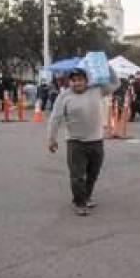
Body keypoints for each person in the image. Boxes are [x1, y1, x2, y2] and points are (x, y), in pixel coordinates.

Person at [47, 67, 119, 216]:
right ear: (69, 82)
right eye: (73, 80)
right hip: (75, 142)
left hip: (96, 140)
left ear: (86, 81)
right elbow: (55, 118)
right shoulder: (64, 96)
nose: (76, 83)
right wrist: (51, 138)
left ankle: (86, 196)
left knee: (93, 173)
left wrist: (108, 66)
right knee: (77, 175)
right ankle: (79, 202)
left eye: (80, 80)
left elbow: (116, 84)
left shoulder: (96, 90)